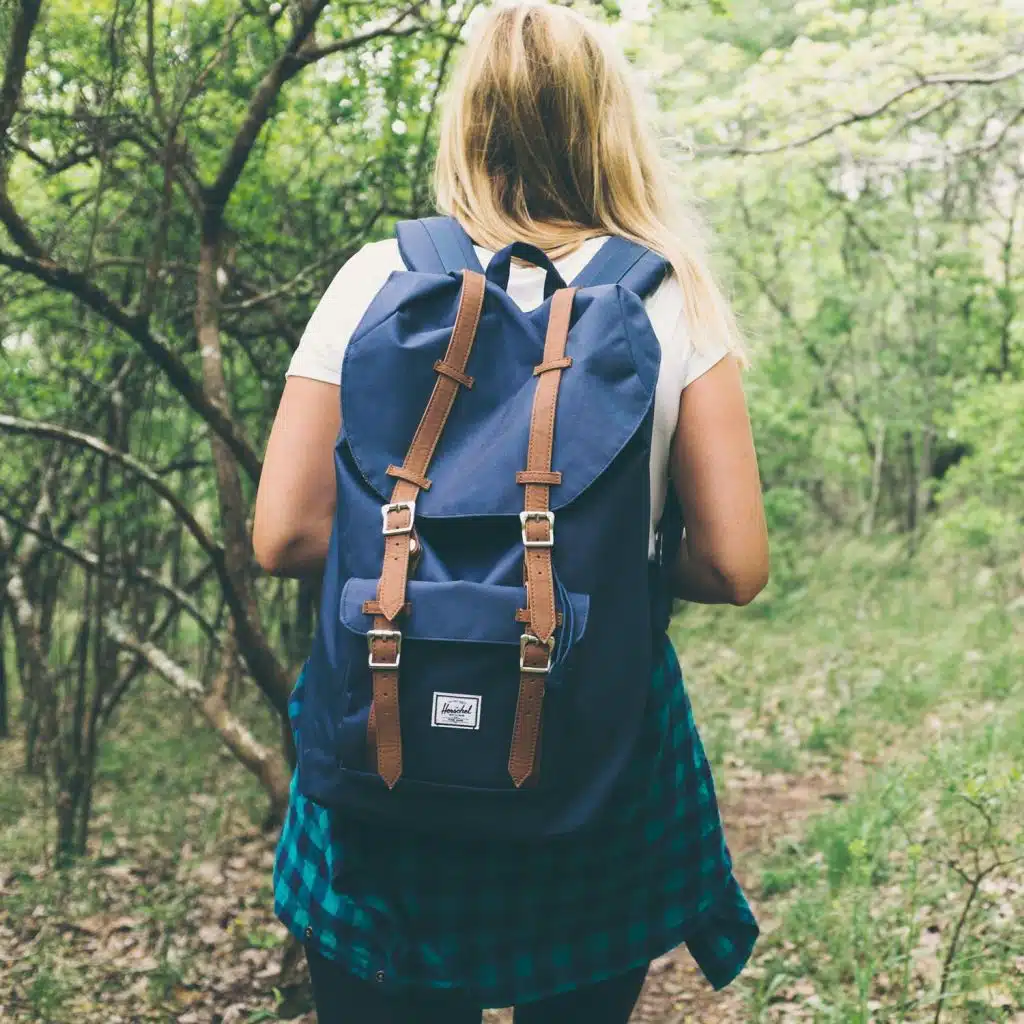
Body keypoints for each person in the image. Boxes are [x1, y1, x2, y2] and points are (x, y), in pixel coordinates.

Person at [252, 3, 769, 1021]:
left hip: (386, 750)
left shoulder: (376, 278)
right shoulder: (672, 300)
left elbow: (285, 534)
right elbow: (735, 565)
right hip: (590, 753)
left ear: (469, 123)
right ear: (606, 124)